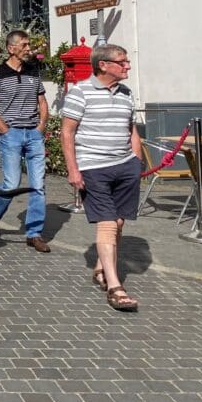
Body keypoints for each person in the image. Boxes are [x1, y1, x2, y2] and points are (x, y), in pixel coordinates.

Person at [61, 43, 143, 311]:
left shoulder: (126, 92)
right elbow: (67, 133)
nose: (127, 65)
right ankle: (115, 286)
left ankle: (99, 269)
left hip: (125, 166)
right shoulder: (80, 93)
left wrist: (136, 162)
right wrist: (73, 169)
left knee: (119, 222)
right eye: (122, 61)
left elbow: (131, 129)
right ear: (103, 65)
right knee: (107, 223)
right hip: (94, 167)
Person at [0, 29, 51, 253]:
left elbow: (42, 102)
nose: (28, 48)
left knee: (38, 186)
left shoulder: (33, 71)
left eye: (28, 44)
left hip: (33, 134)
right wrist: (5, 130)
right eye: (24, 45)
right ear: (11, 48)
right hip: (11, 133)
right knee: (11, 183)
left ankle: (34, 233)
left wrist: (41, 126)